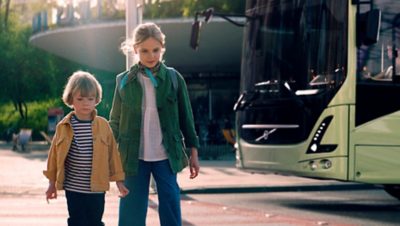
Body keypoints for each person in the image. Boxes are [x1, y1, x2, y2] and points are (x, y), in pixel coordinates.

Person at [109, 22, 200, 226]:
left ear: (162, 48)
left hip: (166, 156)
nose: (151, 56)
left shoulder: (174, 79)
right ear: (135, 50)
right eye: (145, 51)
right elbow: (114, 122)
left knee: (170, 204)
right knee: (132, 209)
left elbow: (187, 118)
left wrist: (193, 151)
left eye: (155, 50)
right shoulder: (123, 81)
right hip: (133, 157)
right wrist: (103, 150)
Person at [43, 71, 129, 226]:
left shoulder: (103, 126)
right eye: (80, 98)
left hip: (97, 189)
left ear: (96, 99)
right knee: (77, 222)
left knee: (95, 222)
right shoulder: (63, 126)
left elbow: (113, 156)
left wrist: (119, 182)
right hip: (73, 188)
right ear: (71, 100)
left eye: (90, 99)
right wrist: (51, 184)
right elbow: (54, 157)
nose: (86, 103)